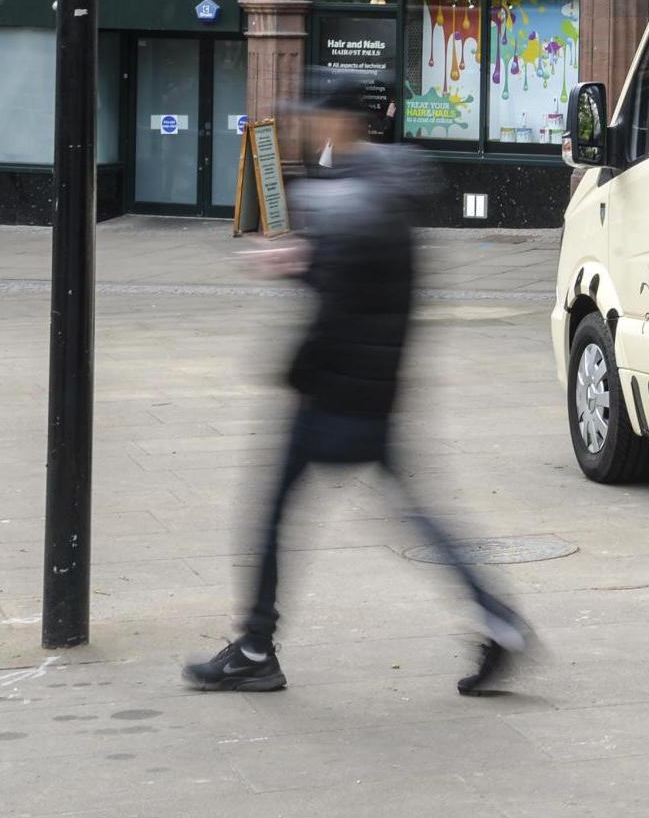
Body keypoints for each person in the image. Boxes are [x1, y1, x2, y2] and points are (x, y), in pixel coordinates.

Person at [183, 78, 532, 695]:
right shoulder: (381, 188)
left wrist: (292, 270)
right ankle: (496, 616)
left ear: (341, 123)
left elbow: (337, 304)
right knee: (414, 514)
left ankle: (257, 646)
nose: (311, 129)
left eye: (317, 119)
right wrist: (305, 263)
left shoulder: (349, 201)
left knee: (272, 515)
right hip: (378, 384)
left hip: (336, 390)